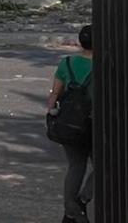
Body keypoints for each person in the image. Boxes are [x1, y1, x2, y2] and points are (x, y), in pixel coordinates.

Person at [47, 25, 94, 223]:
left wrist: (52, 112)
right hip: (93, 123)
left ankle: (70, 211)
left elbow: (55, 94)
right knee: (102, 168)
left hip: (70, 123)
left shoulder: (66, 63)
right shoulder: (107, 64)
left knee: (75, 166)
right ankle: (82, 200)